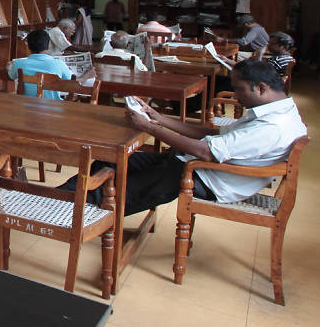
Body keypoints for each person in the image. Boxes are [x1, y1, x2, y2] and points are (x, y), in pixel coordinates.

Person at [63, 60, 307, 215]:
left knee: (113, 190)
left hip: (204, 177)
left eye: (238, 89)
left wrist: (149, 128)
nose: (234, 95)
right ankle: (58, 196)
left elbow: (206, 152)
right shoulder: (275, 111)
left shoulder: (272, 126)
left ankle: (65, 209)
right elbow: (216, 134)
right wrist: (158, 118)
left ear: (261, 88)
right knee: (113, 160)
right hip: (194, 163)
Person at [8, 31, 88, 98]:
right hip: (53, 107)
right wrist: (87, 76)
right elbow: (73, 82)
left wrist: (9, 68)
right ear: (48, 45)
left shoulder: (18, 63)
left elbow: (11, 76)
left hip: (25, 106)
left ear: (28, 46)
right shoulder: (58, 64)